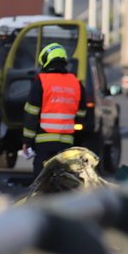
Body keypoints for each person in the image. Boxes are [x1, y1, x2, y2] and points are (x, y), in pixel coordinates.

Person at [22, 42, 84, 178]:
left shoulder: (41, 81)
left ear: (45, 60)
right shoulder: (76, 82)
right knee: (64, 180)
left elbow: (32, 113)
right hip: (67, 142)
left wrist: (27, 141)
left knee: (41, 180)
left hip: (44, 142)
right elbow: (81, 115)